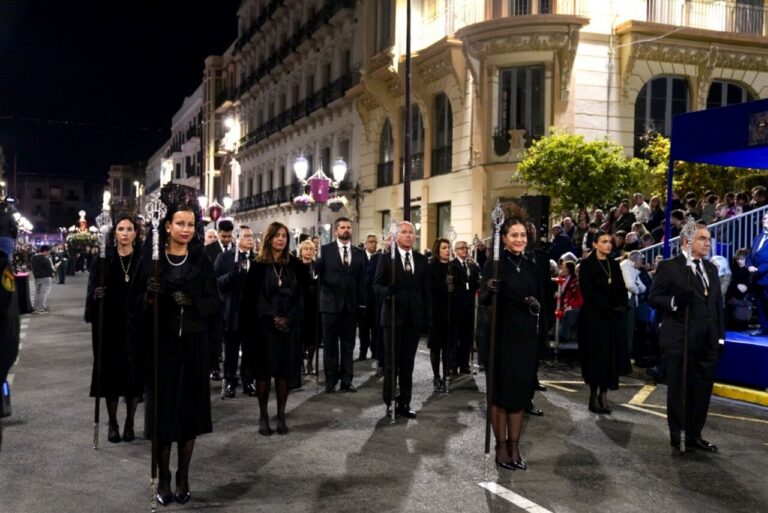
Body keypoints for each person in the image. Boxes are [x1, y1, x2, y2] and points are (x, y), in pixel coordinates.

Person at [129, 185, 220, 505]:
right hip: (162, 346)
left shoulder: (202, 260)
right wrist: (149, 296)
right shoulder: (152, 258)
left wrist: (194, 301)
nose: (186, 229)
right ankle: (163, 475)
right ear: (167, 226)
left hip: (193, 345)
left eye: (191, 224)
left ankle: (183, 474)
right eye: (180, 223)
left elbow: (215, 303)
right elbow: (135, 304)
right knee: (162, 415)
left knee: (189, 415)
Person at [649, 221, 723, 453]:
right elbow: (654, 297)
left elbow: (717, 305)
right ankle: (678, 436)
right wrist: (674, 301)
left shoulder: (710, 268)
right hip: (680, 339)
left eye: (708, 239)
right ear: (686, 241)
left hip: (707, 341)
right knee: (679, 390)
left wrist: (720, 337)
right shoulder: (670, 267)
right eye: (702, 238)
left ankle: (694, 435)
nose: (707, 243)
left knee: (701, 390)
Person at [480, 207, 544, 471]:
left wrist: (535, 304)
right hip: (500, 337)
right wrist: (489, 289)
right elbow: (483, 299)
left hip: (525, 337)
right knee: (499, 395)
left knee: (518, 395)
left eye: (522, 235)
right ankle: (500, 447)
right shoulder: (494, 264)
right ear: (503, 238)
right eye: (514, 235)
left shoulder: (531, 265)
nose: (519, 239)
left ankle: (515, 446)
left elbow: (543, 299)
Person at [85, 214, 144, 443]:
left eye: (130, 229)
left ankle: (130, 422)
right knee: (110, 376)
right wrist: (96, 295)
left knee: (133, 377)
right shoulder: (103, 258)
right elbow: (92, 289)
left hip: (135, 325)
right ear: (115, 233)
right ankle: (112, 422)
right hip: (109, 324)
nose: (126, 233)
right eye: (121, 229)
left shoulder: (142, 259)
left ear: (136, 234)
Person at [241, 222, 303, 436]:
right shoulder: (258, 266)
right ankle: (263, 415)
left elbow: (302, 296)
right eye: (276, 235)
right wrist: (271, 317)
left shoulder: (294, 265)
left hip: (288, 328)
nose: (280, 239)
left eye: (284, 236)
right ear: (269, 239)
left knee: (283, 374)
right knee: (264, 374)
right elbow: (251, 299)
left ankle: (282, 414)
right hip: (264, 329)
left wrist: (289, 318)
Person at [374, 221, 431, 419]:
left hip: (413, 320)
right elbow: (376, 285)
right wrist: (386, 293)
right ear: (396, 236)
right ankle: (389, 402)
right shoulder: (387, 258)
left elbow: (426, 292)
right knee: (392, 364)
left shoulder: (422, 260)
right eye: (404, 232)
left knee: (408, 364)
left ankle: (405, 402)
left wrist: (426, 318)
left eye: (411, 232)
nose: (408, 235)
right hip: (392, 318)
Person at [577, 230, 628, 414]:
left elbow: (621, 288)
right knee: (595, 357)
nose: (608, 245)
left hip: (611, 319)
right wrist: (609, 304)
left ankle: (604, 394)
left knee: (609, 357)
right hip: (593, 319)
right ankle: (593, 395)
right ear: (595, 244)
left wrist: (620, 304)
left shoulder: (613, 265)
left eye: (610, 242)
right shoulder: (586, 265)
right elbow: (588, 292)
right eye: (604, 241)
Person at [314, 217, 366, 393]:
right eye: (343, 227)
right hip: (329, 305)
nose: (346, 230)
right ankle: (330, 379)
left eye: (349, 227)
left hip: (350, 307)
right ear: (336, 231)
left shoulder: (358, 253)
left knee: (348, 345)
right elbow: (316, 274)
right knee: (329, 345)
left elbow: (362, 280)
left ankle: (347, 380)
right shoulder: (324, 250)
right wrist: (316, 262)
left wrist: (362, 304)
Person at [214, 225, 256, 399]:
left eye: (251, 236)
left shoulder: (258, 259)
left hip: (251, 312)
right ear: (237, 238)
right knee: (231, 350)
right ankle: (230, 380)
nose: (250, 239)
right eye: (246, 236)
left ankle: (248, 380)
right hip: (232, 311)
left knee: (250, 349)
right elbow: (215, 282)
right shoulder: (224, 258)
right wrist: (232, 275)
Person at [204, 219, 234, 381]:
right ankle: (213, 367)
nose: (226, 239)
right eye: (223, 236)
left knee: (228, 339)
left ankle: (229, 370)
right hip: (214, 299)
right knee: (214, 337)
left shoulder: (235, 251)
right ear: (218, 234)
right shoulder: (208, 250)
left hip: (230, 300)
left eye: (229, 236)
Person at [451, 239, 481, 375]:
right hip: (457, 306)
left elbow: (476, 282)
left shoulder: (470, 265)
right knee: (455, 336)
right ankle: (453, 364)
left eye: (466, 248)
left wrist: (475, 267)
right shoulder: (452, 265)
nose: (465, 250)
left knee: (466, 336)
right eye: (461, 248)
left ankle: (464, 364)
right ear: (455, 251)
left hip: (468, 305)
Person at [428, 238, 453, 393]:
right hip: (436, 312)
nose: (447, 250)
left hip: (450, 313)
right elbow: (429, 288)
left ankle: (446, 375)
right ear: (438, 250)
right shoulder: (431, 267)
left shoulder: (453, 266)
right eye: (444, 248)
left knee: (448, 347)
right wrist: (444, 283)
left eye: (449, 247)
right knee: (436, 347)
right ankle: (436, 376)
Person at [297, 239, 319, 375]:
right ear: (301, 251)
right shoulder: (297, 266)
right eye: (306, 249)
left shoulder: (316, 266)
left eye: (311, 249)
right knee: (300, 336)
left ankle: (310, 362)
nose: (308, 251)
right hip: (300, 304)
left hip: (314, 304)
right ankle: (300, 364)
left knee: (313, 336)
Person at [358, 233, 380, 362]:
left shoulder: (379, 258)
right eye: (371, 242)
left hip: (375, 299)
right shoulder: (360, 257)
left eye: (375, 242)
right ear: (366, 243)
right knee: (363, 328)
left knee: (375, 327)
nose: (374, 244)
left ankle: (375, 351)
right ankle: (363, 351)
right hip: (363, 298)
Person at [747, 213, 768, 335]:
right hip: (756, 278)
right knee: (760, 304)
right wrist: (749, 265)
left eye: (767, 218)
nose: (765, 220)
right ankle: (764, 327)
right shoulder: (758, 237)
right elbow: (750, 254)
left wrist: (758, 269)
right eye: (764, 218)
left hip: (765, 276)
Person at [30, 245, 55, 313]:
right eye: (48, 251)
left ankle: (36, 307)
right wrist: (54, 270)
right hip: (46, 278)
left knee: (37, 292)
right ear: (45, 251)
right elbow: (50, 269)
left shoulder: (33, 258)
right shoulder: (46, 259)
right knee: (43, 293)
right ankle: (41, 308)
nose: (49, 253)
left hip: (37, 277)